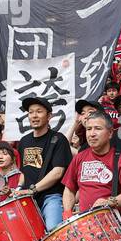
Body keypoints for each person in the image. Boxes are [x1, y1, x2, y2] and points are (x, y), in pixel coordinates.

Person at [62, 110, 121, 229]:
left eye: (97, 128)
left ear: (110, 133)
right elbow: (69, 189)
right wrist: (67, 212)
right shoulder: (79, 158)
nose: (91, 134)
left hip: (114, 228)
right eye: (89, 129)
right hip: (86, 228)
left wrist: (110, 202)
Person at [15, 95, 73, 231]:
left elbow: (58, 172)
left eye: (39, 111)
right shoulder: (23, 141)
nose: (34, 115)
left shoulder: (58, 139)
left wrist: (32, 189)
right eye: (30, 112)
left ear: (49, 116)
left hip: (51, 196)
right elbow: (24, 171)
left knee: (54, 231)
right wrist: (18, 189)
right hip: (28, 199)